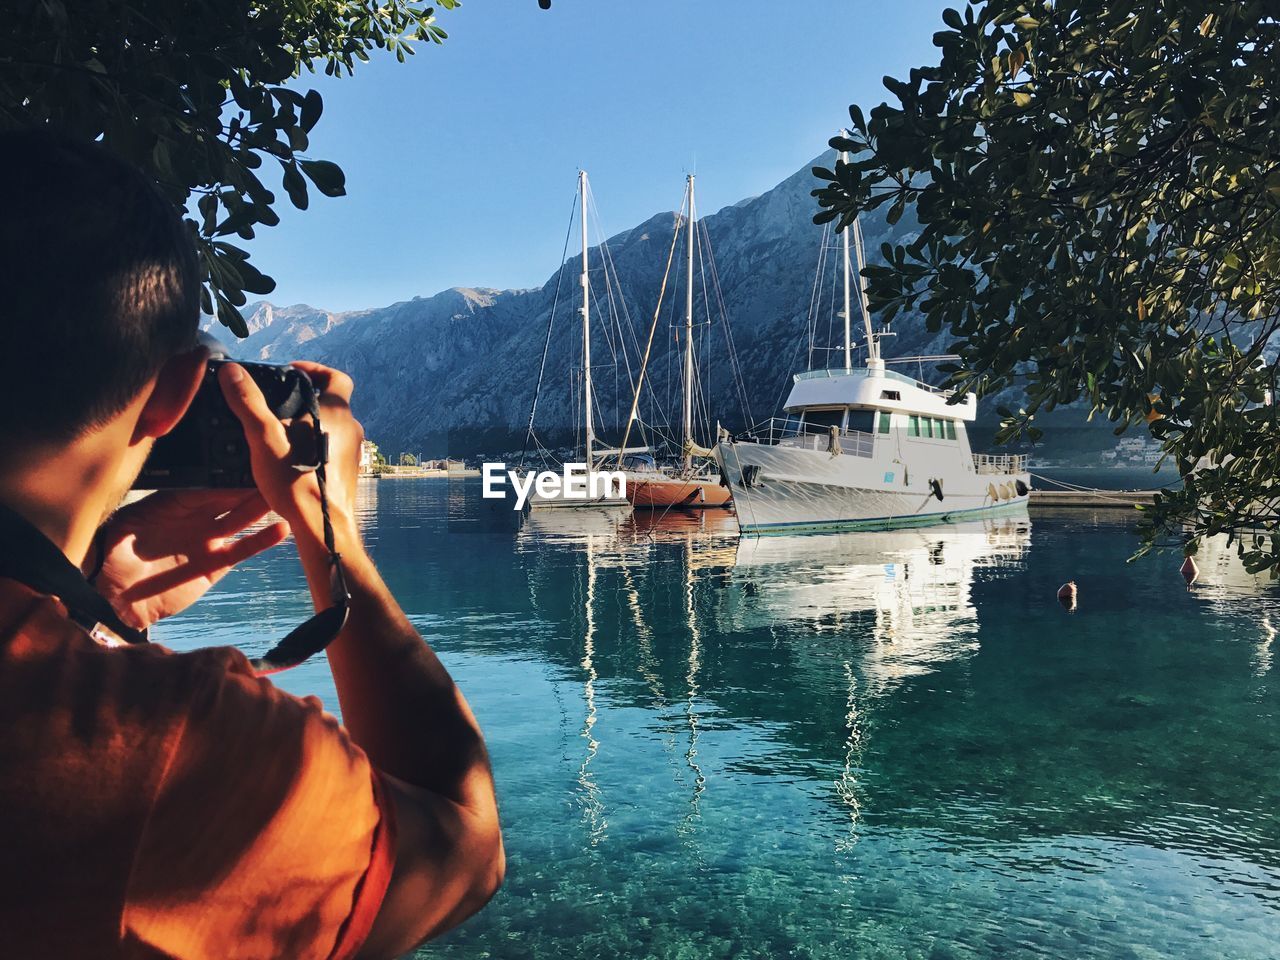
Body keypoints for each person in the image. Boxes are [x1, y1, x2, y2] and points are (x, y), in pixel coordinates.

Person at [0, 130, 503, 958]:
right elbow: (465, 852)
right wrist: (331, 534)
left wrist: (100, 601)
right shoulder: (155, 744)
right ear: (172, 395)